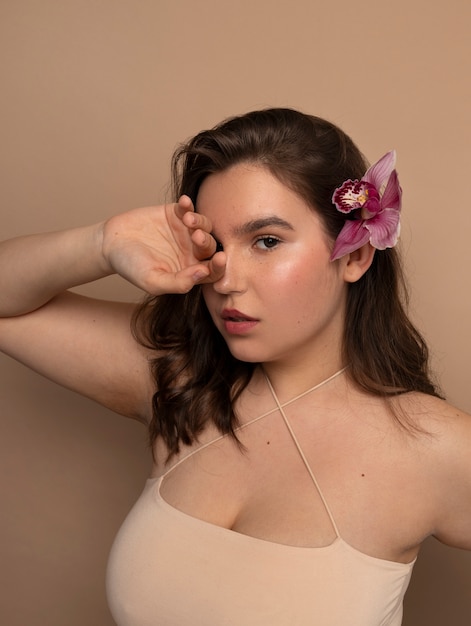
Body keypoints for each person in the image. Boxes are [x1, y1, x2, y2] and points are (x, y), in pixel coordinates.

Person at [0, 108, 470, 626]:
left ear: (354, 257)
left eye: (266, 241)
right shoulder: (180, 381)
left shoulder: (434, 448)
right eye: (216, 246)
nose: (226, 279)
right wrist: (103, 244)